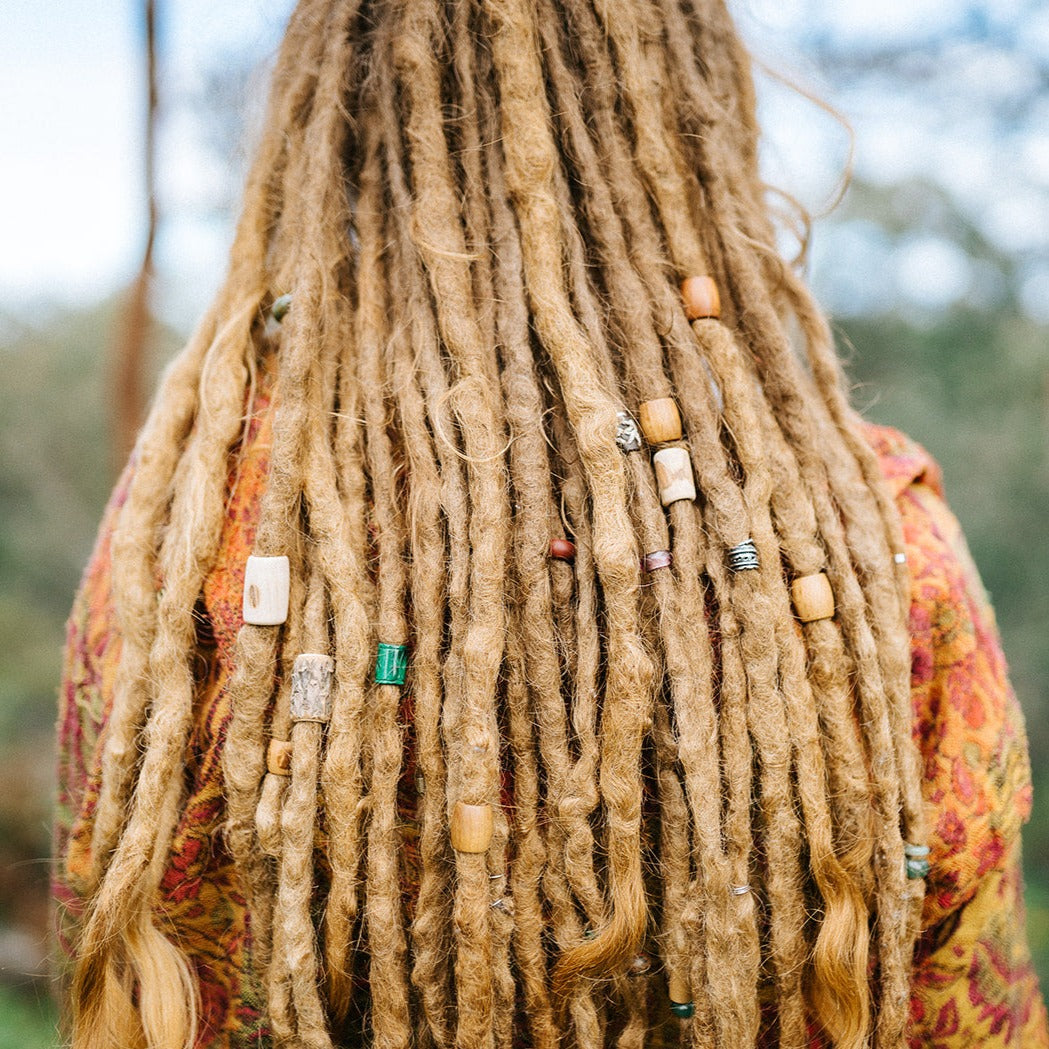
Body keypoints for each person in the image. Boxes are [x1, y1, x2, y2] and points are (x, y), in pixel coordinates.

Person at [51, 1, 1049, 1047]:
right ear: (690, 109)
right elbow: (966, 1014)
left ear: (334, 119)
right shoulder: (871, 547)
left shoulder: (181, 541)